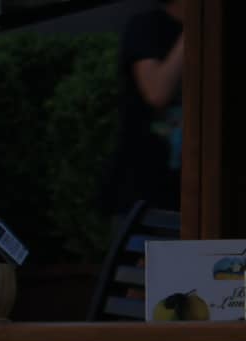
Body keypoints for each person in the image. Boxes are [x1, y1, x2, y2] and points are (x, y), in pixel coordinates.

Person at [99, 0, 184, 221]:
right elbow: (157, 91)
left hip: (190, 184)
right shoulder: (146, 27)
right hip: (144, 183)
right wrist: (195, 30)